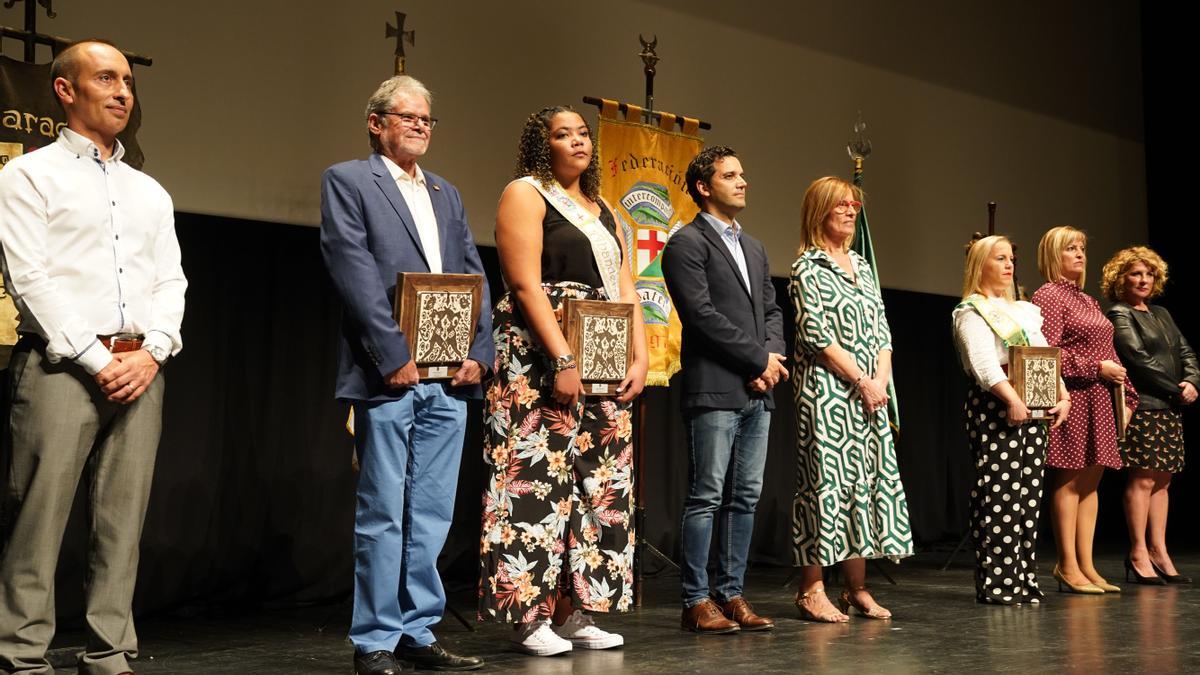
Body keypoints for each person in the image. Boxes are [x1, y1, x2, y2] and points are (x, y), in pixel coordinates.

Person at [0, 40, 187, 673]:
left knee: (122, 523)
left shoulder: (149, 192)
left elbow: (171, 282)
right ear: (65, 90)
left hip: (141, 367)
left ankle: (110, 652)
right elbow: (30, 277)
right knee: (37, 518)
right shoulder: (28, 175)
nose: (122, 91)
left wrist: (153, 352)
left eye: (128, 81)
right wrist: (94, 357)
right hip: (62, 369)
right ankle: (21, 655)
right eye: (106, 78)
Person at [320, 75, 492, 674]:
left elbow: (474, 275)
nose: (420, 125)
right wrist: (392, 355)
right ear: (376, 122)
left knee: (433, 512)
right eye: (407, 116)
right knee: (384, 510)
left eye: (427, 118)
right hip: (388, 375)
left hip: (449, 379)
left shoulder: (446, 192)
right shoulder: (348, 181)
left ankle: (418, 630)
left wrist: (481, 349)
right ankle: (374, 639)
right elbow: (354, 271)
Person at [478, 106, 647, 656]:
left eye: (583, 133)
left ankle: (583, 611)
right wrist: (563, 359)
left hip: (604, 354)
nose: (577, 141)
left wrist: (639, 358)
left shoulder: (607, 212)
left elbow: (626, 290)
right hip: (540, 355)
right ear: (542, 145)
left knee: (600, 487)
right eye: (562, 134)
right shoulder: (526, 193)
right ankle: (530, 616)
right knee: (533, 479)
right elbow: (524, 284)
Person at [660, 145, 785, 635]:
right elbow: (701, 316)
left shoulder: (753, 247)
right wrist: (757, 359)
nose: (743, 181)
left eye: (743, 173)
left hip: (759, 389)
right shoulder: (686, 244)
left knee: (746, 496)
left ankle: (731, 593)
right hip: (715, 387)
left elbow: (772, 311)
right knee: (707, 494)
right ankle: (695, 600)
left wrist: (770, 362)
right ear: (703, 187)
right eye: (730, 175)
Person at [788, 176, 913, 622]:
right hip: (827, 391)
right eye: (841, 204)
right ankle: (812, 588)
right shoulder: (808, 268)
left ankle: (855, 587)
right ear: (819, 209)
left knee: (866, 483)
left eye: (854, 205)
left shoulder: (861, 264)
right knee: (826, 486)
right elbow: (816, 335)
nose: (850, 211)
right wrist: (861, 379)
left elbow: (882, 331)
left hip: (869, 393)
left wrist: (878, 380)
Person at [952, 236, 1070, 604]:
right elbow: (984, 363)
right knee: (1000, 496)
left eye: (1011, 259)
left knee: (1028, 497)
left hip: (1034, 404)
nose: (1009, 265)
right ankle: (998, 584)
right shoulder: (972, 311)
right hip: (996, 405)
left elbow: (1042, 355)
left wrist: (1062, 394)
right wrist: (1011, 399)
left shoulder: (1023, 311)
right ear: (979, 265)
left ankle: (1023, 580)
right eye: (999, 258)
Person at [1031, 225, 1136, 595]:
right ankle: (1066, 565)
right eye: (1069, 249)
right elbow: (1047, 350)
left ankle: (1087, 565)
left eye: (1081, 248)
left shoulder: (1088, 300)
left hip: (1102, 400)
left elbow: (1111, 354)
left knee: (1092, 485)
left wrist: (1129, 398)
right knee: (1071, 480)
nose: (1079, 254)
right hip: (1074, 397)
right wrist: (1094, 369)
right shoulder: (1049, 295)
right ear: (1052, 256)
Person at [1102, 246, 1198, 584]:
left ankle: (1160, 550)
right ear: (1120, 279)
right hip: (1143, 405)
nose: (1144, 280)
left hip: (1169, 406)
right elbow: (1138, 359)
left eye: (1149, 274)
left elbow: (1185, 350)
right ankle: (1138, 551)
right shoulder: (1119, 314)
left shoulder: (1162, 313)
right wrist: (1176, 388)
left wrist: (1191, 381)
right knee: (1142, 479)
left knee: (1163, 481)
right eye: (1135, 274)